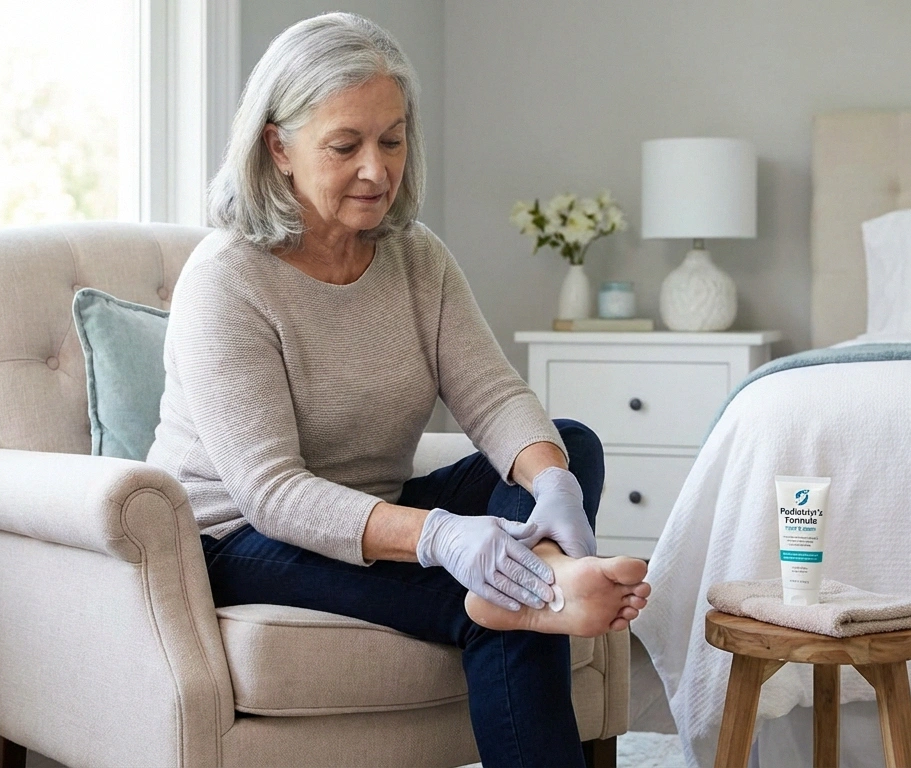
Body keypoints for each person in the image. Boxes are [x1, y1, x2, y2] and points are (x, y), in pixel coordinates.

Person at [145, 12, 650, 767]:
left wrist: (552, 487)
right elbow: (272, 492)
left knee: (566, 445)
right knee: (496, 607)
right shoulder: (227, 279)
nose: (378, 170)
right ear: (278, 147)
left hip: (373, 506)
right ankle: (543, 588)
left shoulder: (417, 258)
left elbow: (492, 394)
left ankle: (543, 572)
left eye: (393, 138)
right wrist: (444, 537)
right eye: (345, 145)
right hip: (240, 537)